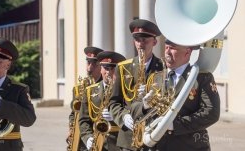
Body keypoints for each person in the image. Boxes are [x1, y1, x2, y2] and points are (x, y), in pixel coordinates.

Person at [143, 39, 220, 151]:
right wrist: (144, 107)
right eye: (166, 47)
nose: (167, 52)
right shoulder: (156, 77)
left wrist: (175, 125)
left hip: (189, 146)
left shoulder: (201, 77)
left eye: (173, 48)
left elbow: (211, 112)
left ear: (187, 52)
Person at [108, 19, 163, 151]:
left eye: (145, 40)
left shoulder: (163, 67)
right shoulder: (123, 68)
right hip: (128, 138)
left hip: (154, 136)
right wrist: (123, 117)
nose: (140, 44)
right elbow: (113, 103)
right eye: (137, 40)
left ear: (154, 42)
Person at [79, 51, 126, 151]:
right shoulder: (90, 91)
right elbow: (83, 120)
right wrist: (87, 138)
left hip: (119, 145)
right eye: (106, 68)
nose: (108, 72)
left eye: (113, 68)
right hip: (98, 145)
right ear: (100, 69)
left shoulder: (126, 91)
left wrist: (116, 116)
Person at [67, 46, 103, 151]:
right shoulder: (78, 88)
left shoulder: (106, 87)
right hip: (81, 138)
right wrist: (70, 129)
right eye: (88, 63)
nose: (89, 68)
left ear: (101, 66)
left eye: (94, 64)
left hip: (100, 135)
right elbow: (73, 114)